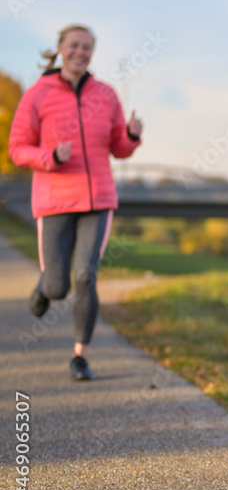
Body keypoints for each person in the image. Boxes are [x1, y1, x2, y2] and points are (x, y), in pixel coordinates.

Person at [9, 24, 143, 381]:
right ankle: (44, 287)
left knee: (85, 276)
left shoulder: (106, 94)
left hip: (98, 200)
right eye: (74, 46)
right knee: (58, 287)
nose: (80, 52)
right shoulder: (38, 94)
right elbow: (17, 149)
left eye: (87, 47)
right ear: (60, 48)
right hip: (54, 200)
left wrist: (130, 135)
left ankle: (79, 356)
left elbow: (119, 147)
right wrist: (51, 156)